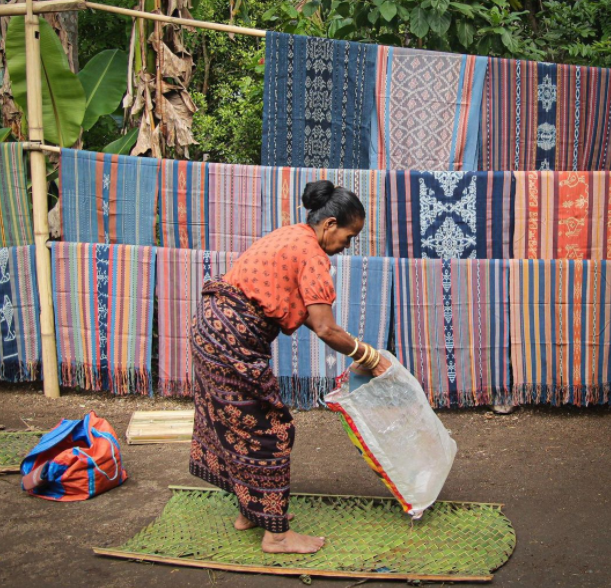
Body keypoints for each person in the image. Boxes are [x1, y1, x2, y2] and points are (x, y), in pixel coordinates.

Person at [189, 180, 391, 554]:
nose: (347, 246)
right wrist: (370, 357)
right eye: (349, 236)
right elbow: (325, 327)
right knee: (270, 429)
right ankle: (277, 536)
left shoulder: (290, 234)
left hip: (210, 326)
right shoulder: (313, 253)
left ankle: (251, 512)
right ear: (329, 225)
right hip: (233, 337)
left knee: (239, 423)